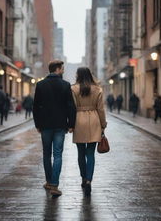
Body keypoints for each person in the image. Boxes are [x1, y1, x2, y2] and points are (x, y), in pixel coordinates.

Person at [33, 60, 76, 197]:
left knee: (47, 154)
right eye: (62, 68)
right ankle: (54, 185)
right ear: (57, 69)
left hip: (45, 125)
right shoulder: (65, 85)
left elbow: (35, 107)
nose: (63, 70)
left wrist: (38, 124)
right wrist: (71, 124)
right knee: (57, 154)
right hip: (60, 125)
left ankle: (48, 181)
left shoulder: (40, 85)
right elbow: (71, 106)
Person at [71, 67, 107, 196]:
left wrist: (70, 124)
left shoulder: (73, 89)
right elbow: (101, 109)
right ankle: (89, 181)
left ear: (78, 75)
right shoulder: (97, 89)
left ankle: (83, 178)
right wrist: (103, 124)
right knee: (90, 153)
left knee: (81, 153)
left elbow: (72, 108)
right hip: (94, 120)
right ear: (90, 75)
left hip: (79, 120)